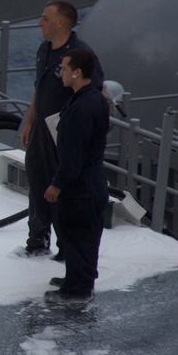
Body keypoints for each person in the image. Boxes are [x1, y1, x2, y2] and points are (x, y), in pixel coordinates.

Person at [19, 0, 103, 260]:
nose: (39, 23)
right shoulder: (45, 49)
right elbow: (40, 89)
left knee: (63, 188)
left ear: (60, 23)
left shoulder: (80, 56)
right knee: (37, 182)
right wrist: (30, 121)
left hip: (63, 134)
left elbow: (91, 96)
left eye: (44, 18)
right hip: (40, 133)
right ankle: (38, 239)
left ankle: (67, 248)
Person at [43, 49, 109, 305]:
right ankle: (79, 277)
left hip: (80, 186)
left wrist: (58, 184)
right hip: (91, 181)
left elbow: (74, 153)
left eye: (64, 68)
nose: (61, 73)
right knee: (86, 234)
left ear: (77, 72)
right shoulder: (94, 99)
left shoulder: (81, 107)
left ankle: (77, 290)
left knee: (77, 234)